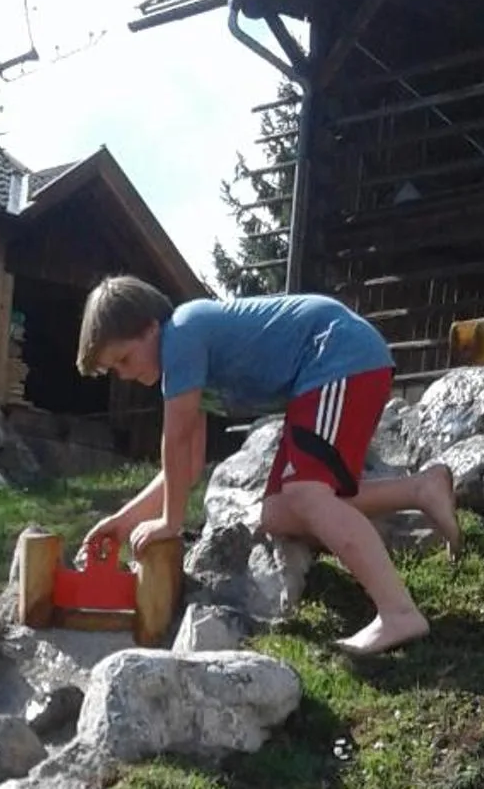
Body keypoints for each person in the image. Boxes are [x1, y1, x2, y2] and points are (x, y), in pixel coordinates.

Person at [77, 276, 460, 658]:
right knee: (278, 512)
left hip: (339, 355)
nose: (125, 375)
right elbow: (186, 465)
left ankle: (399, 612)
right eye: (115, 369)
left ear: (150, 328)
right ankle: (421, 489)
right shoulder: (190, 361)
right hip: (325, 371)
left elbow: (174, 442)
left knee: (306, 493)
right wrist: (124, 521)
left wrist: (169, 522)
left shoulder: (182, 334)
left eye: (124, 359)